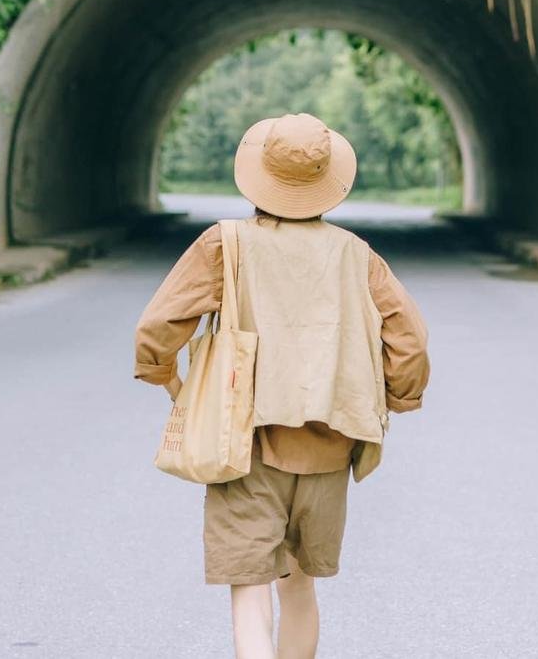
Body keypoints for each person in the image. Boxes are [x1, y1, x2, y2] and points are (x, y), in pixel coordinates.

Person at [134, 111, 431, 659]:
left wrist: (165, 376)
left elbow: (159, 325)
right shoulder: (357, 255)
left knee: (250, 591)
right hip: (330, 446)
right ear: (328, 181)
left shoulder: (226, 245)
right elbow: (407, 335)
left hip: (244, 445)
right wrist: (398, 395)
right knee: (299, 587)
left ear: (257, 176)